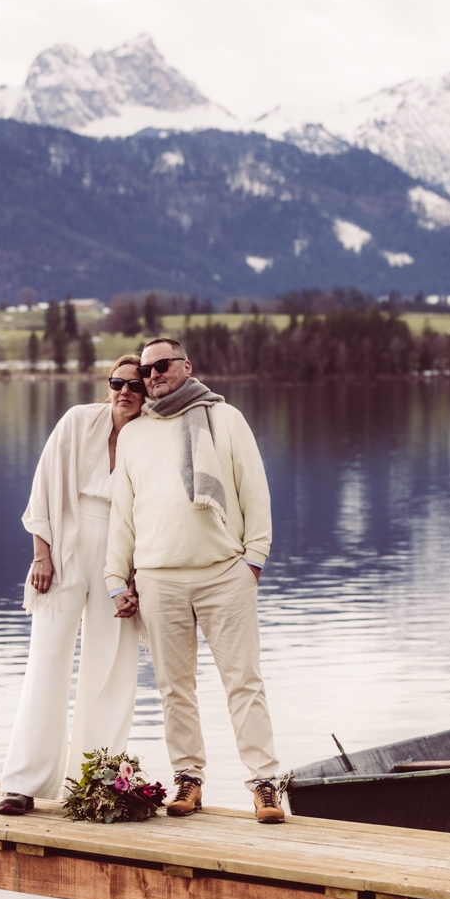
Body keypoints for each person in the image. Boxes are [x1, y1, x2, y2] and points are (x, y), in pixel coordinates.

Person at [105, 337, 284, 823]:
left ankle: (265, 784)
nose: (154, 375)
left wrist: (254, 560)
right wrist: (115, 577)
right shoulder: (136, 434)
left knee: (243, 682)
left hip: (225, 573)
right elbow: (123, 514)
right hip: (159, 578)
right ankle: (189, 781)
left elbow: (255, 489)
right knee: (173, 687)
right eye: (146, 370)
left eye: (162, 365)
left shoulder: (224, 418)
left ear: (187, 365)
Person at [0, 355, 146, 815]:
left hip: (123, 555)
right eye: (116, 382)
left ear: (148, 392)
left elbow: (159, 510)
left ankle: (94, 782)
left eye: (135, 385)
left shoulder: (153, 436)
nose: (124, 391)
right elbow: (43, 488)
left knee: (113, 667)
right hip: (64, 547)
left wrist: (137, 577)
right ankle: (23, 782)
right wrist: (41, 555)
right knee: (47, 658)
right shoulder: (77, 421)